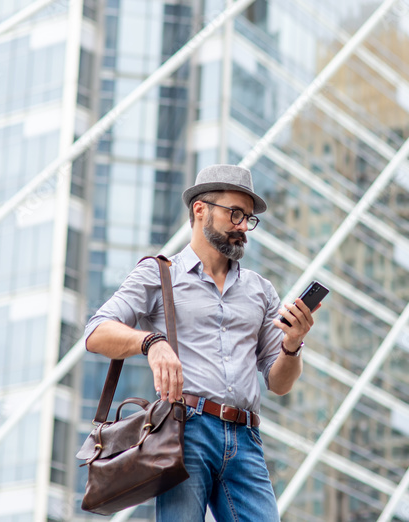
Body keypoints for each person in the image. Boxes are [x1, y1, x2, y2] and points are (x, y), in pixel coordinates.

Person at [83, 164, 319, 521]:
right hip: (185, 431)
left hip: (246, 439)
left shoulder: (261, 290)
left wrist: (293, 344)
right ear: (200, 210)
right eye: (235, 214)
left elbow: (280, 383)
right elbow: (96, 332)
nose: (243, 226)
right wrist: (151, 342)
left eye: (249, 218)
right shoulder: (159, 273)